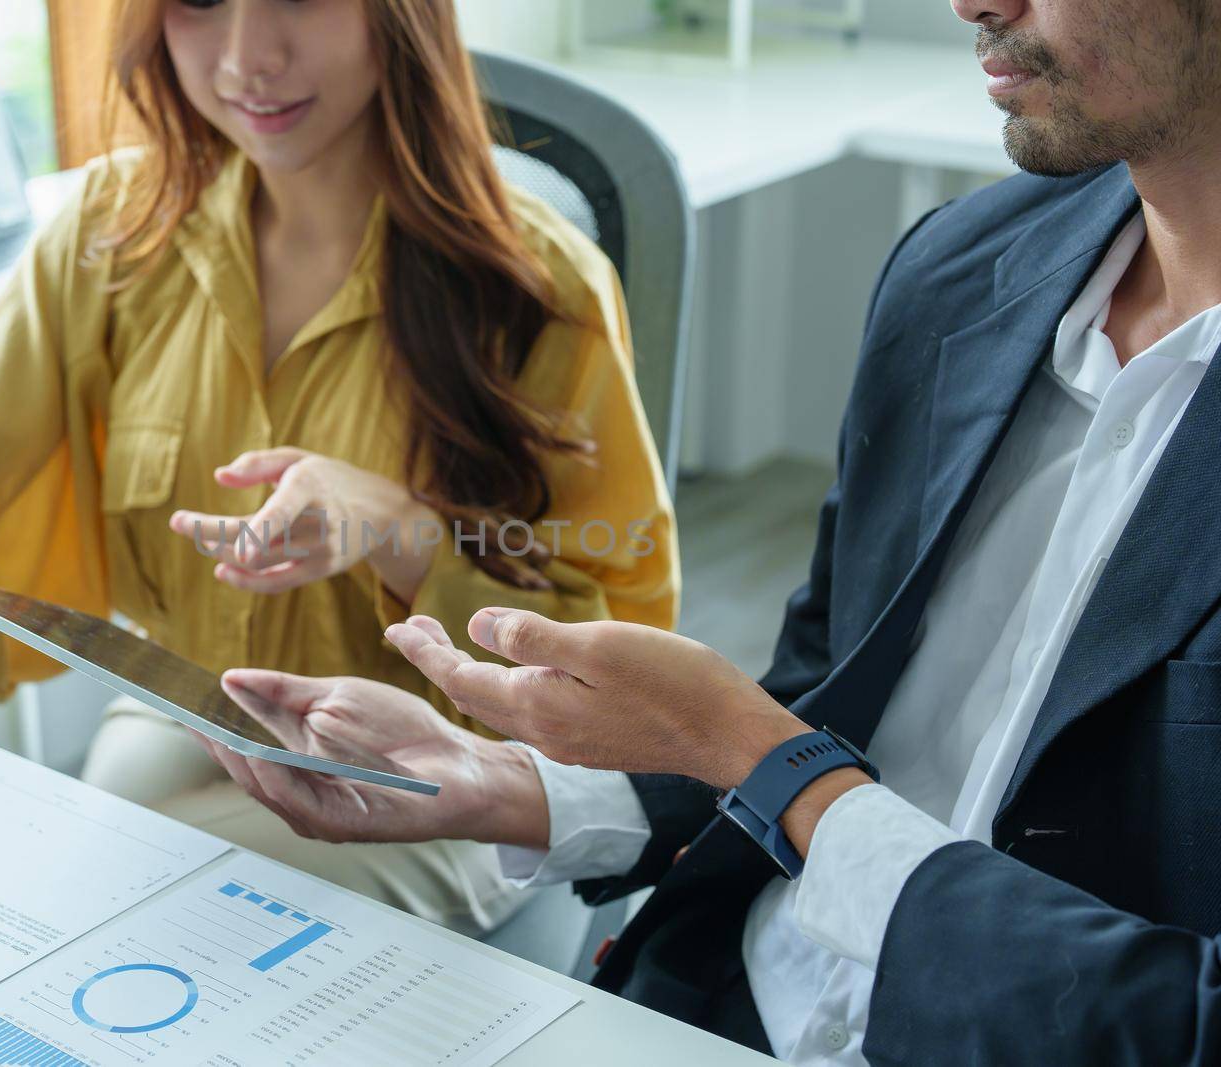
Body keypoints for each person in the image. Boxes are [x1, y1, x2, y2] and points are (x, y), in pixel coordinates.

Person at [189, 0, 1221, 1062]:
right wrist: (521, 784)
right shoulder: (958, 267)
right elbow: (826, 695)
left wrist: (769, 763)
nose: (969, 1)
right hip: (721, 991)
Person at [0, 0, 677, 937]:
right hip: (186, 701)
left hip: (433, 762)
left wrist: (399, 531)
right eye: (197, 4)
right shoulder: (110, 232)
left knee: (150, 922)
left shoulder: (540, 289)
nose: (247, 58)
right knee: (38, 901)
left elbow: (613, 663)